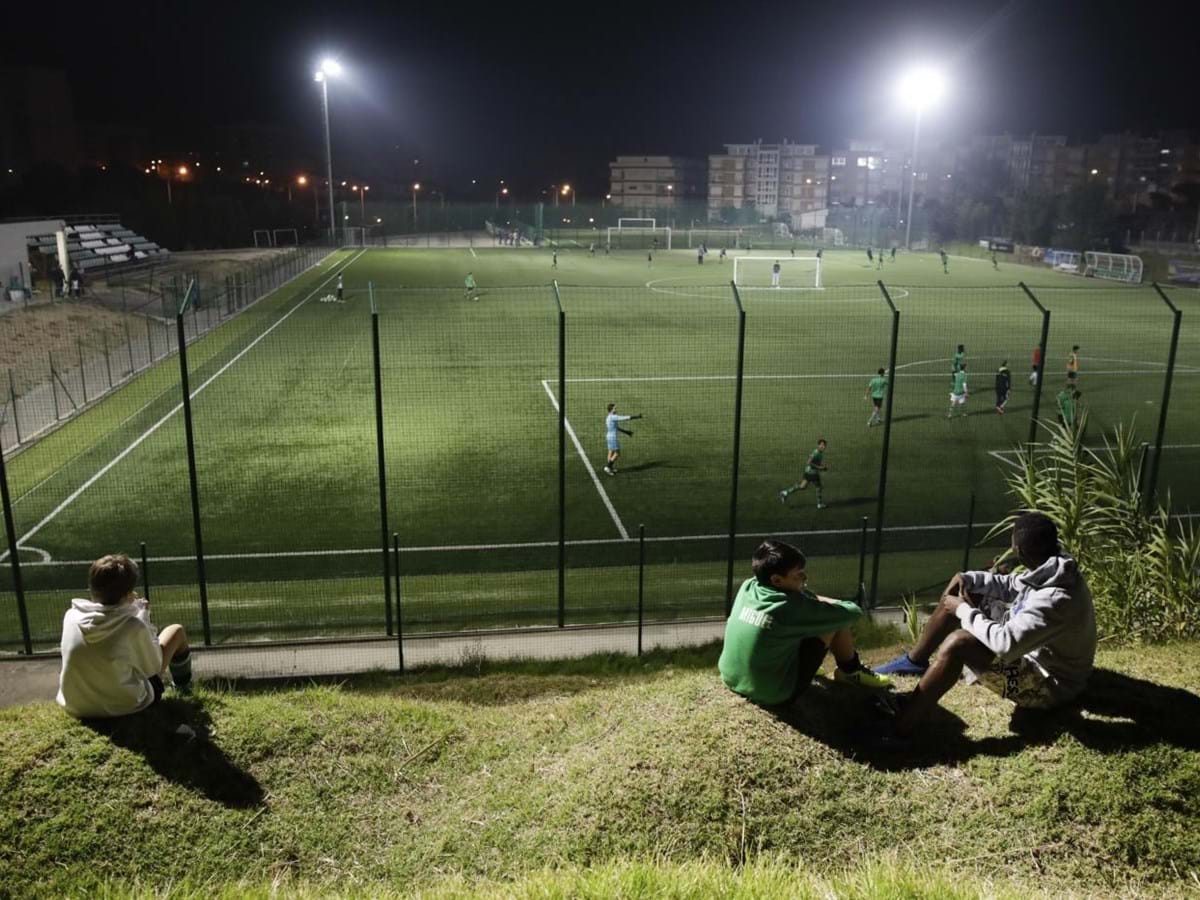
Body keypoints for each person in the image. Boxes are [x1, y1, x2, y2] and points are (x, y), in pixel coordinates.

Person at [874, 513, 1096, 743]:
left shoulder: (1055, 598)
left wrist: (962, 610)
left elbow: (1005, 645)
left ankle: (902, 726)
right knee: (964, 592)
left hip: (1049, 687)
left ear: (1019, 550)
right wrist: (968, 578)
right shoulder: (1053, 566)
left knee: (958, 643)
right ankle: (914, 662)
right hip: (1034, 654)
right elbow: (1013, 585)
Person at [718, 539, 892, 707]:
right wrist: (830, 603)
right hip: (774, 694)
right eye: (798, 574)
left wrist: (810, 599)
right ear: (777, 580)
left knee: (805, 624)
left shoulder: (749, 586)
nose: (804, 576)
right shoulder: (790, 607)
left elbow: (800, 602)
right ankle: (851, 670)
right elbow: (852, 612)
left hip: (731, 678)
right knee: (833, 620)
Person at [57, 554, 193, 719]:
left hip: (76, 706)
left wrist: (129, 610)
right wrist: (143, 616)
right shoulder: (133, 626)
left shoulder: (70, 616)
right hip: (126, 706)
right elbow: (154, 667)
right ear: (128, 594)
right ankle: (184, 689)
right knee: (176, 631)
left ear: (92, 588)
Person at [780, 439, 829, 509]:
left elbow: (816, 462)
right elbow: (808, 462)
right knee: (819, 487)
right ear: (818, 445)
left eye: (824, 445)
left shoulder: (820, 453)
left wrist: (822, 466)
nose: (823, 446)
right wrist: (820, 468)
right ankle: (819, 504)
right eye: (821, 445)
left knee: (802, 486)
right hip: (812, 473)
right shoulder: (816, 452)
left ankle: (785, 492)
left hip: (809, 472)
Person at [603, 402, 642, 475]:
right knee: (617, 454)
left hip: (609, 436)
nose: (616, 409)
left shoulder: (608, 417)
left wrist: (627, 432)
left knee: (610, 452)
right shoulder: (613, 417)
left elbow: (617, 428)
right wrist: (637, 417)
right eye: (615, 408)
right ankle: (608, 467)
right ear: (611, 410)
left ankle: (610, 468)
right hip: (613, 438)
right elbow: (624, 418)